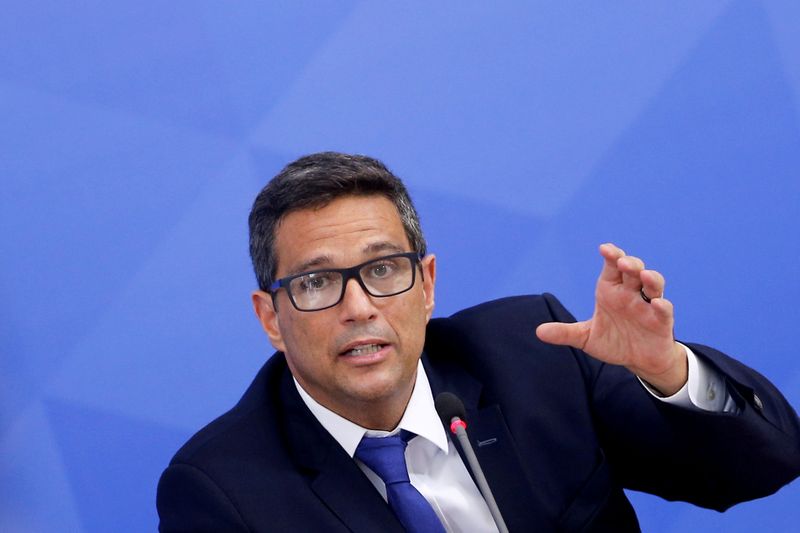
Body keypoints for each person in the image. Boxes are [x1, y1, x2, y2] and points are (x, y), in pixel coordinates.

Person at [156, 152, 800, 532]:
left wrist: (665, 371)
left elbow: (762, 468)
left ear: (426, 285)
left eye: (383, 271)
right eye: (318, 282)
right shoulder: (222, 491)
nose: (360, 308)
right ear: (271, 317)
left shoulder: (536, 354)